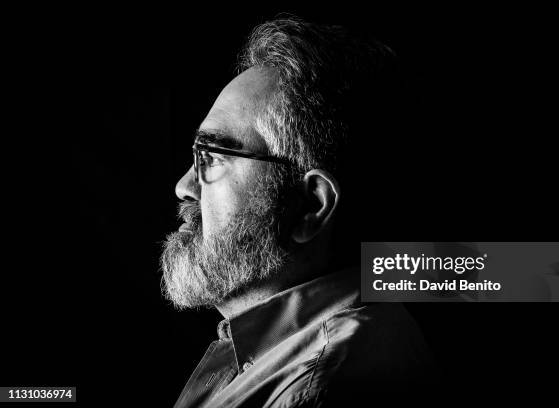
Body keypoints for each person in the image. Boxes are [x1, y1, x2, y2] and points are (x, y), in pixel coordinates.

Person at [161, 16, 433, 408]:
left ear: (311, 205)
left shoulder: (317, 386)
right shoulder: (271, 356)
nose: (184, 187)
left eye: (214, 157)